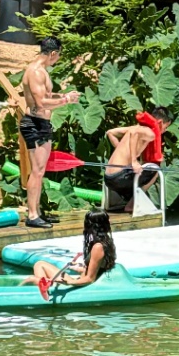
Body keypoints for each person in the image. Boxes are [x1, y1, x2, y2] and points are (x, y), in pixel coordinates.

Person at [19, 38, 79, 228]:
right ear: (53, 53)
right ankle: (32, 214)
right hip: (35, 124)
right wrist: (66, 100)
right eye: (58, 56)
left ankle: (37, 211)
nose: (58, 59)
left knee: (40, 170)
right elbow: (40, 103)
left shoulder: (41, 71)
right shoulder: (36, 72)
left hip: (41, 124)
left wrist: (61, 96)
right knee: (37, 171)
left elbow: (46, 96)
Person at [30, 210, 116, 294]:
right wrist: (80, 267)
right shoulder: (105, 242)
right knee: (40, 264)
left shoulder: (98, 247)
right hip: (79, 280)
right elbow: (98, 268)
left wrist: (69, 282)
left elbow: (90, 279)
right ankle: (44, 287)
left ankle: (44, 291)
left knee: (31, 280)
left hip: (80, 285)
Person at [103, 115, 166, 211]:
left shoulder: (133, 128)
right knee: (155, 170)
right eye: (166, 127)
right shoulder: (150, 132)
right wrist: (133, 161)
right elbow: (135, 134)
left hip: (108, 178)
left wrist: (122, 150)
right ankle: (131, 205)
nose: (164, 131)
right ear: (160, 123)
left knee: (139, 171)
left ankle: (127, 201)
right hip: (119, 178)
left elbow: (110, 133)